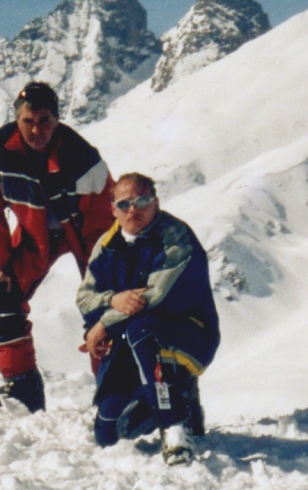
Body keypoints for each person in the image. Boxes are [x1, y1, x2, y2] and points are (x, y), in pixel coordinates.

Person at [0, 81, 114, 412]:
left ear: (57, 121)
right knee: (1, 295)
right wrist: (0, 263)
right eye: (28, 121)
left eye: (44, 122)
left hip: (87, 234)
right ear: (16, 119)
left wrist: (106, 274)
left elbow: (104, 222)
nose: (36, 130)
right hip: (36, 234)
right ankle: (23, 387)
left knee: (105, 309)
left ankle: (114, 394)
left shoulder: (84, 160)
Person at [77, 173, 220, 463]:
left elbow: (154, 296)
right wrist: (112, 300)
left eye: (142, 200)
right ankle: (179, 393)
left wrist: (104, 322)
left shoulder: (175, 237)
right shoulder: (107, 245)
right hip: (129, 342)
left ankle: (175, 427)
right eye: (124, 203)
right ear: (113, 209)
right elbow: (85, 298)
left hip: (189, 336)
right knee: (110, 431)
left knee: (143, 329)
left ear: (156, 202)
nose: (134, 209)